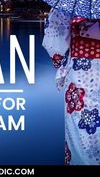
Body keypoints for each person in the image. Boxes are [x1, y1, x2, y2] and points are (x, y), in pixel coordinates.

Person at [43, 9, 100, 165]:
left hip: (83, 74)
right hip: (84, 71)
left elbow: (55, 41)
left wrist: (60, 60)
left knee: (83, 141)